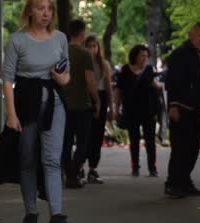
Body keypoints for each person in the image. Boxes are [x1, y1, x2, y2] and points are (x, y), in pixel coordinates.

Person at [2, 0, 77, 223]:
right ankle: (31, 213)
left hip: (54, 102)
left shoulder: (60, 38)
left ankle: (56, 218)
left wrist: (61, 78)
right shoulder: (17, 40)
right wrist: (11, 114)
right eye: (39, 8)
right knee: (27, 158)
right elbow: (7, 79)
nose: (45, 13)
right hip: (26, 102)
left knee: (52, 160)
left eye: (49, 9)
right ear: (30, 11)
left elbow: (66, 77)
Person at [165, 22, 200, 198]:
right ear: (190, 35)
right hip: (181, 107)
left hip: (195, 107)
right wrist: (173, 105)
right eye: (199, 36)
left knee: (193, 146)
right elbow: (172, 83)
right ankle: (173, 183)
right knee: (180, 147)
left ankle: (184, 180)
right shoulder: (180, 54)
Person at [62, 19, 100, 189]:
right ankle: (73, 174)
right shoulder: (85, 54)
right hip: (81, 104)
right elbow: (90, 81)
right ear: (82, 33)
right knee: (83, 142)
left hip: (63, 104)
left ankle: (68, 173)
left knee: (66, 142)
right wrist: (97, 100)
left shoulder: (60, 52)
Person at [115, 44, 161, 177]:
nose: (145, 58)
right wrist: (115, 108)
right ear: (135, 56)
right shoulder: (125, 70)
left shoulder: (149, 70)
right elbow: (118, 90)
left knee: (150, 140)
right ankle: (135, 167)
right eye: (142, 55)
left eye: (147, 56)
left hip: (148, 111)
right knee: (133, 140)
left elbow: (155, 85)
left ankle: (152, 168)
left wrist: (158, 86)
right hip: (131, 111)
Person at [84, 35, 115, 184]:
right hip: (86, 97)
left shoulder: (103, 64)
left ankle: (92, 168)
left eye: (94, 46)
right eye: (89, 46)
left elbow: (108, 86)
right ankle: (79, 166)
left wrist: (111, 106)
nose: (92, 49)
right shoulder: (82, 63)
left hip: (101, 96)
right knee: (85, 134)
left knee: (97, 134)